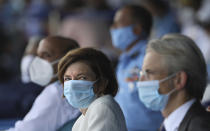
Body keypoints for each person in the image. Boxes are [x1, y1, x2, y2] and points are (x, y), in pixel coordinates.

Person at [137, 34, 210, 131]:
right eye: (141, 73)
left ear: (179, 80)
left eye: (149, 73)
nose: (140, 81)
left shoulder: (200, 127)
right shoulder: (167, 125)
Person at [7, 36, 80, 131]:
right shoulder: (73, 88)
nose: (38, 61)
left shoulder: (56, 92)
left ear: (68, 59)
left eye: (46, 55)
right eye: (37, 55)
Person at [110, 5, 163, 131]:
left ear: (137, 30)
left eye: (118, 24)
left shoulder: (150, 56)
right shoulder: (124, 58)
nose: (112, 28)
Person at [57, 48, 127, 131]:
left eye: (82, 78)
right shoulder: (83, 117)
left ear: (101, 84)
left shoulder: (102, 107)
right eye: (68, 79)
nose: (72, 84)